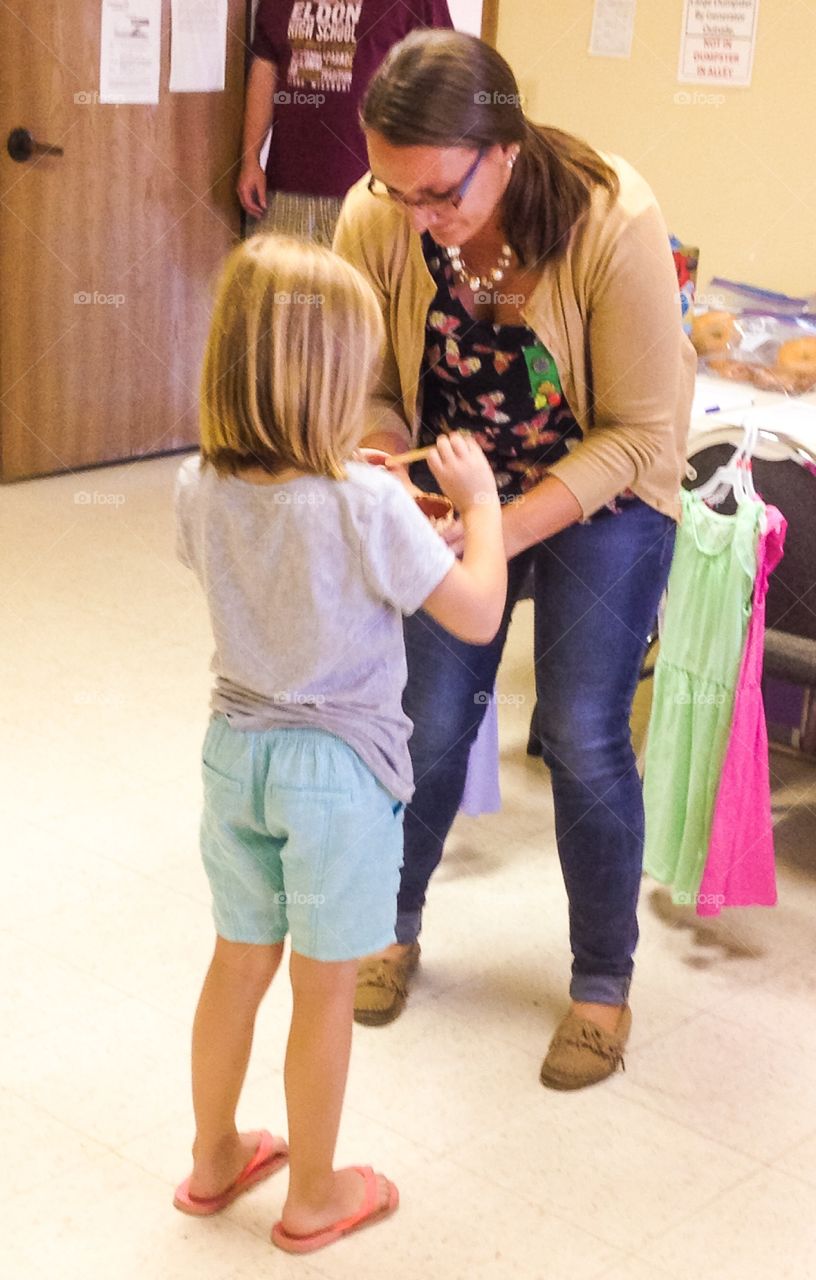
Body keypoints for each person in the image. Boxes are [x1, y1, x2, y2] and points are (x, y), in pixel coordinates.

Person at [333, 29, 696, 1089]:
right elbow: (369, 383)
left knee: (583, 731)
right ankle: (389, 927)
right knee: (429, 717)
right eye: (396, 193)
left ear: (502, 145)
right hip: (452, 491)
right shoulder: (380, 213)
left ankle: (600, 985)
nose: (417, 219)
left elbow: (639, 434)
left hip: (600, 492)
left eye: (439, 193)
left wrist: (499, 523)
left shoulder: (610, 217)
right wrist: (396, 478)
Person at [171, 233, 506, 1253]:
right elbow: (478, 609)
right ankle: (313, 1192)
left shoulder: (197, 481)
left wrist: (389, 526)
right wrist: (481, 506)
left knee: (237, 962)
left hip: (235, 752)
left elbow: (286, 554)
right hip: (339, 775)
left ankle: (215, 1152)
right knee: (323, 986)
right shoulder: (367, 501)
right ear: (327, 378)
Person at [237, 0, 452, 244]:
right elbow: (265, 70)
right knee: (283, 279)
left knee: (363, 282)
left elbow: (441, 75)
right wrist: (250, 159)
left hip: (378, 191)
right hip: (285, 187)